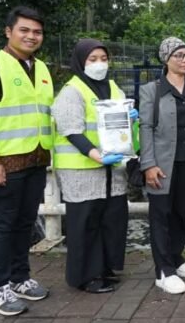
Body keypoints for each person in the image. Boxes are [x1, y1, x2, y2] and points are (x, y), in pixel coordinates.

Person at [0, 6, 53, 316]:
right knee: (3, 225)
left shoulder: (41, 69)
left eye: (37, 32)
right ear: (9, 32)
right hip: (2, 166)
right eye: (25, 30)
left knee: (24, 223)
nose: (31, 36)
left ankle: (20, 278)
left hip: (35, 161)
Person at [52, 39, 134, 294]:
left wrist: (131, 117)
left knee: (111, 220)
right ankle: (85, 276)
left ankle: (105, 268)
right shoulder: (72, 91)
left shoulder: (112, 87)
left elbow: (122, 117)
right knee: (85, 222)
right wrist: (96, 155)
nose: (100, 64)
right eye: (93, 59)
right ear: (80, 61)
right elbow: (71, 130)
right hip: (82, 169)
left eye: (103, 59)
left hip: (112, 169)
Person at [139, 37, 185, 294]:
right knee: (160, 216)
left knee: (180, 214)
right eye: (178, 55)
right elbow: (145, 127)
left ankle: (175, 257)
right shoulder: (151, 90)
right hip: (162, 163)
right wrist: (148, 164)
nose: (184, 60)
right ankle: (163, 271)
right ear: (166, 59)